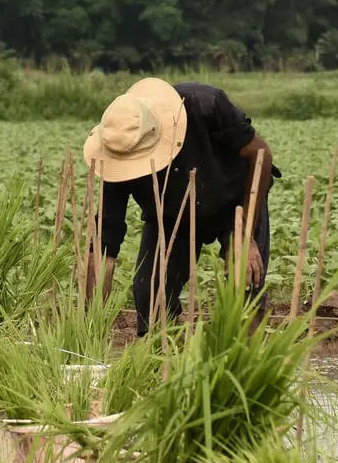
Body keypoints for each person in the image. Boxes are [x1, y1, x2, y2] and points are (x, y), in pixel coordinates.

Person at [83, 78, 280, 336]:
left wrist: (244, 234)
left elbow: (261, 154)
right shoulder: (117, 150)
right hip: (169, 215)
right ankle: (164, 361)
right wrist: (90, 323)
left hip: (235, 202)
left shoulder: (205, 105)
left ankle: (247, 363)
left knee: (245, 289)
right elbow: (104, 245)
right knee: (150, 291)